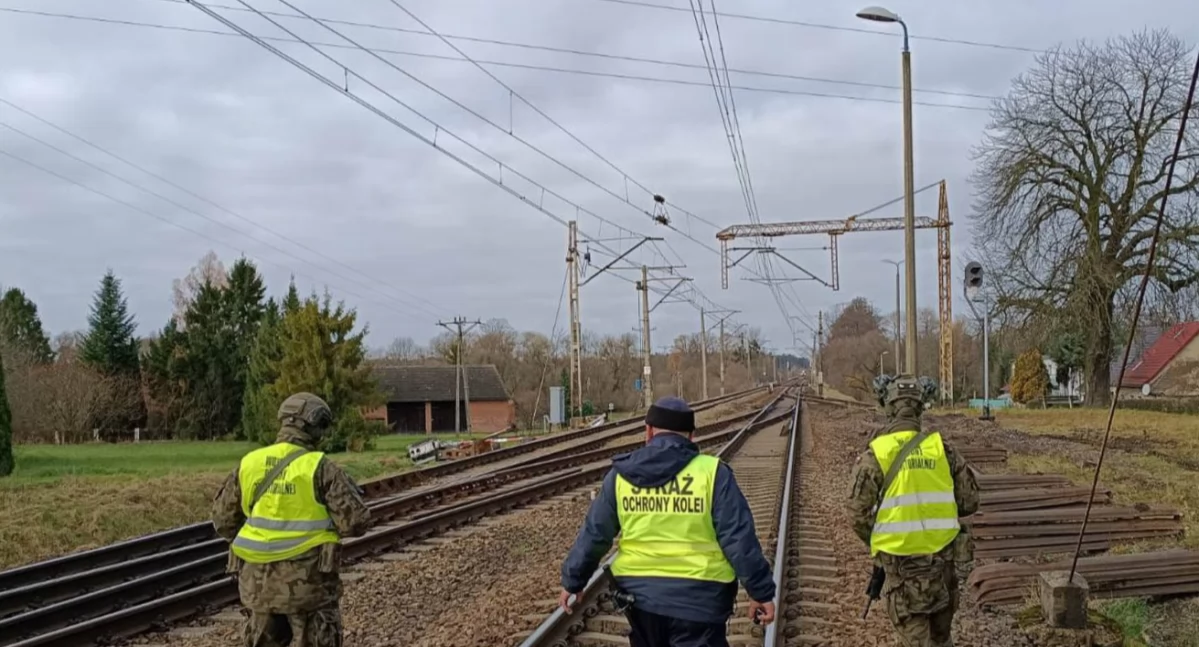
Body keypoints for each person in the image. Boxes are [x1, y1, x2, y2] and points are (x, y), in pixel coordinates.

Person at [558, 396, 777, 647]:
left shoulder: (620, 476)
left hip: (640, 602)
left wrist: (573, 581)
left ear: (648, 431)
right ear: (691, 436)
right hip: (701, 602)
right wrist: (760, 592)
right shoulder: (712, 473)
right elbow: (738, 540)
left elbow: (596, 533)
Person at [212, 392, 371, 647]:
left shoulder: (249, 463)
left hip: (258, 587)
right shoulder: (320, 467)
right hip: (308, 588)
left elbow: (222, 521)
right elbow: (356, 522)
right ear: (313, 425)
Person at [848, 375, 980, 647]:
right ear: (921, 409)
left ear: (889, 408)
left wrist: (880, 542)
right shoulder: (942, 450)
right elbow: (969, 502)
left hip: (902, 569)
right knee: (942, 639)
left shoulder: (877, 454)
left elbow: (857, 513)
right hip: (943, 567)